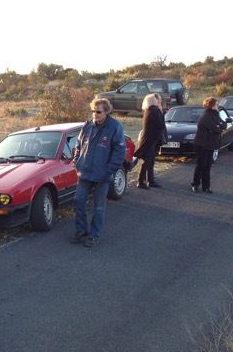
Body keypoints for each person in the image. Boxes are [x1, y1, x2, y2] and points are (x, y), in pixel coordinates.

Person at [70, 98, 126, 247]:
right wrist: (77, 161)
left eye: (99, 111)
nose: (95, 114)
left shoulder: (115, 127)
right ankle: (81, 232)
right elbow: (78, 144)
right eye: (93, 111)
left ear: (107, 112)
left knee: (99, 207)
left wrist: (109, 170)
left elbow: (119, 152)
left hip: (102, 176)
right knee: (78, 201)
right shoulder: (87, 126)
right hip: (85, 173)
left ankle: (94, 235)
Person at [191, 97, 227, 193]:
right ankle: (195, 184)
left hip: (210, 144)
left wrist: (219, 126)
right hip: (202, 145)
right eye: (216, 104)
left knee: (208, 166)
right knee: (201, 165)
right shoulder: (206, 116)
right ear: (212, 106)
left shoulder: (216, 115)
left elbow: (223, 125)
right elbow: (216, 129)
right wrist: (218, 127)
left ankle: (206, 186)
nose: (218, 106)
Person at [134, 93, 167, 189]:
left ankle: (149, 180)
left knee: (150, 161)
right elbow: (161, 125)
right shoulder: (153, 111)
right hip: (150, 140)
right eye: (158, 100)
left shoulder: (148, 110)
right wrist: (161, 111)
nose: (159, 101)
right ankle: (141, 181)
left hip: (149, 139)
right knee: (148, 161)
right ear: (153, 101)